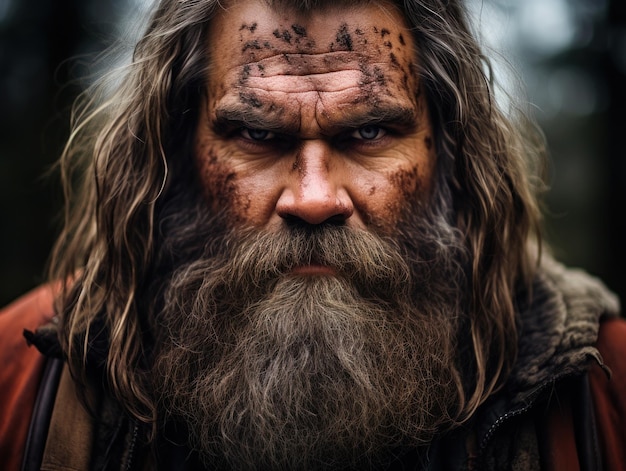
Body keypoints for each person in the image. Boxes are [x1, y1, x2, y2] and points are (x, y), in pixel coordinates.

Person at [1, 0, 624, 469]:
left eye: (370, 132)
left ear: (449, 151)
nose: (314, 197)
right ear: (178, 149)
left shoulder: (606, 387)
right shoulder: (18, 381)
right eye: (258, 135)